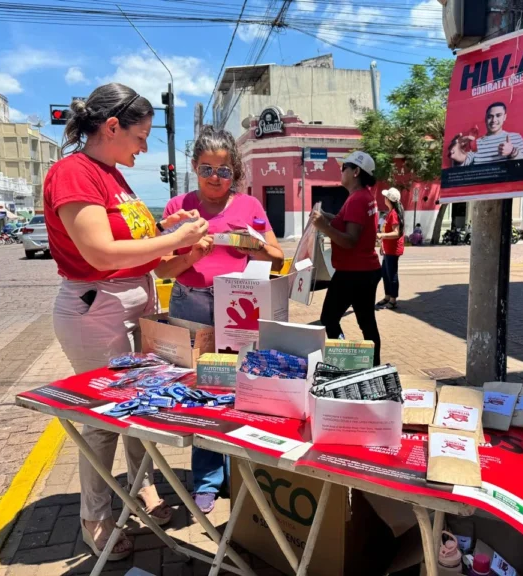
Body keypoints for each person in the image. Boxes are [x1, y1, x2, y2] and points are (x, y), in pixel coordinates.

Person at [44, 83, 210, 561]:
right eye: (141, 136)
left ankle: (142, 490)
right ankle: (94, 518)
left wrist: (183, 246)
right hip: (98, 308)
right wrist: (172, 237)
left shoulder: (113, 176)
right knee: (103, 419)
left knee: (145, 403)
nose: (144, 146)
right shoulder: (74, 173)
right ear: (111, 127)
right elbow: (99, 251)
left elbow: (148, 257)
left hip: (134, 304)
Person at [155, 125, 284, 514]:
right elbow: (163, 269)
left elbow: (276, 256)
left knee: (242, 388)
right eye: (207, 169)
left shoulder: (250, 208)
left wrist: (253, 245)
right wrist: (192, 253)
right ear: (194, 167)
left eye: (224, 170)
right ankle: (208, 478)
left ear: (235, 173)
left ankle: (240, 471)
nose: (215, 177)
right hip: (190, 304)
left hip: (239, 305)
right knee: (201, 391)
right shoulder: (179, 208)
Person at [310, 151, 382, 366]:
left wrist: (323, 226)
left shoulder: (357, 199)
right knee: (367, 322)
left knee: (329, 319)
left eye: (344, 168)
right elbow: (347, 223)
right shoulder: (363, 197)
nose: (341, 172)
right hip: (365, 270)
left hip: (353, 272)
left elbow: (350, 240)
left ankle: (345, 361)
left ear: (356, 171)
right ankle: (373, 366)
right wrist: (328, 219)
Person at [449, 102, 523, 165]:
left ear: (505, 117)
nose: (494, 120)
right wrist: (457, 157)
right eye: (490, 116)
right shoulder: (476, 143)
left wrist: (512, 152)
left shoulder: (515, 137)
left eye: (498, 115)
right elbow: (464, 163)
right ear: (485, 119)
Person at [376, 188, 405, 310]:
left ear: (388, 199)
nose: (384, 199)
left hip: (393, 250)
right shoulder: (390, 212)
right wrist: (382, 245)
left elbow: (396, 233)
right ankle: (387, 296)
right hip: (387, 248)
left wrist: (382, 236)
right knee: (385, 274)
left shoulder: (393, 214)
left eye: (385, 197)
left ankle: (393, 300)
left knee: (392, 274)